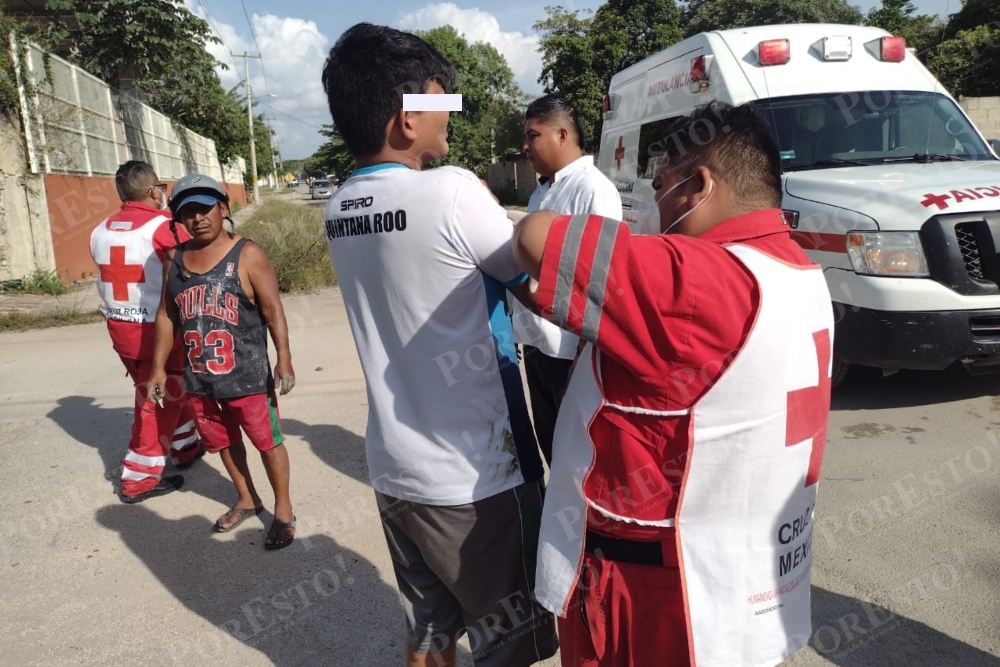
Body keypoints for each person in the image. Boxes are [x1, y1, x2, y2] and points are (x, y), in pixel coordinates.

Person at [513, 101, 834, 667]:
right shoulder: (794, 269)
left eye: (660, 185)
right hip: (746, 572)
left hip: (652, 596)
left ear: (699, 185)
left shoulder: (698, 280)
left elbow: (535, 237)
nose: (653, 204)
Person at [321, 23, 557, 667]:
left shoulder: (339, 208)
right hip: (477, 477)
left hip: (395, 469)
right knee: (510, 645)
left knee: (429, 635)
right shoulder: (451, 191)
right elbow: (534, 282)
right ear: (406, 119)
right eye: (440, 100)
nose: (449, 112)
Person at [148, 173, 298, 550]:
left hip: (246, 376)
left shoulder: (247, 253)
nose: (198, 218)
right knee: (223, 443)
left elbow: (272, 310)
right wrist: (157, 368)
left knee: (267, 442)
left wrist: (284, 359)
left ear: (223, 208)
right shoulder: (174, 259)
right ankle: (247, 498)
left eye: (205, 208)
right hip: (199, 379)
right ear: (178, 219)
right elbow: (167, 315)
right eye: (188, 212)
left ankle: (283, 510)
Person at [513, 94, 622, 465]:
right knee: (552, 446)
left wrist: (583, 352)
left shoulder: (591, 189)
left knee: (580, 454)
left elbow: (604, 274)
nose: (525, 146)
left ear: (561, 134)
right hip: (538, 343)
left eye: (533, 135)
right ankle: (556, 518)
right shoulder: (541, 192)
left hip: (571, 351)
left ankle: (579, 521)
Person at [89, 160, 204, 504]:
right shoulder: (163, 227)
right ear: (154, 191)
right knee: (156, 401)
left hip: (120, 327)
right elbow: (195, 262)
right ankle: (139, 479)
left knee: (167, 389)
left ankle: (185, 446)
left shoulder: (100, 229)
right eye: (161, 188)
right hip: (158, 332)